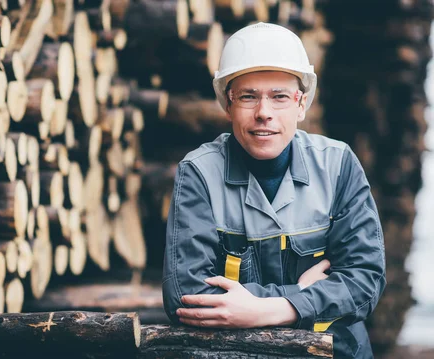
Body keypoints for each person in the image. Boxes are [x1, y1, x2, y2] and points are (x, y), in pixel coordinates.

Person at [162, 22, 386, 359]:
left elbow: (364, 283)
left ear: (302, 104)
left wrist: (271, 309)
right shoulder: (199, 174)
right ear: (227, 105)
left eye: (279, 97)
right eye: (248, 96)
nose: (263, 113)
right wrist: (301, 292)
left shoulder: (338, 165)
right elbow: (185, 297)